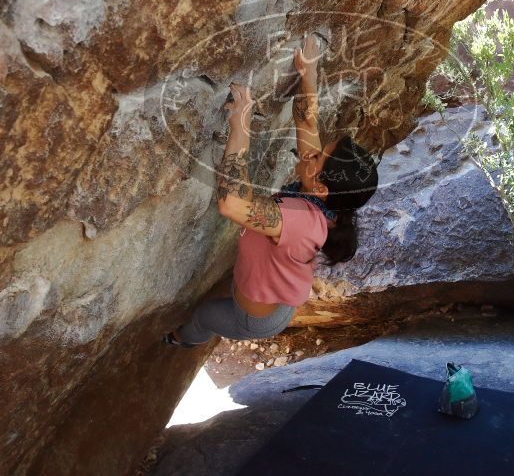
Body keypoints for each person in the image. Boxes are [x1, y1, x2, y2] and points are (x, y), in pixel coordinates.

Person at [162, 35, 379, 348]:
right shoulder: (322, 194)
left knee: (204, 317)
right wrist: (309, 72)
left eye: (318, 157)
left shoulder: (304, 221)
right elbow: (306, 121)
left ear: (321, 187)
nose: (310, 153)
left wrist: (240, 125)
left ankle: (178, 340)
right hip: (276, 291)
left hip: (253, 318)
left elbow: (233, 205)